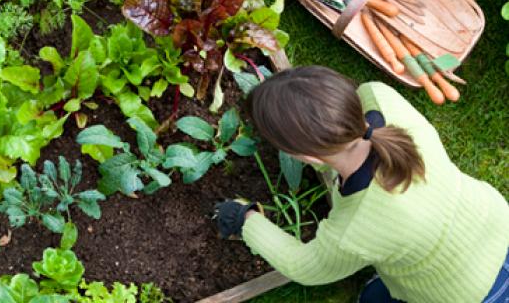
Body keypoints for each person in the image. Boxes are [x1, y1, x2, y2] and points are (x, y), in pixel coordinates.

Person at [213, 66, 509, 303]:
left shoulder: (356, 229)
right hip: (495, 223)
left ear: (305, 157)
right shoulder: (381, 98)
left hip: (467, 294)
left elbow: (302, 265)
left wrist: (245, 219)